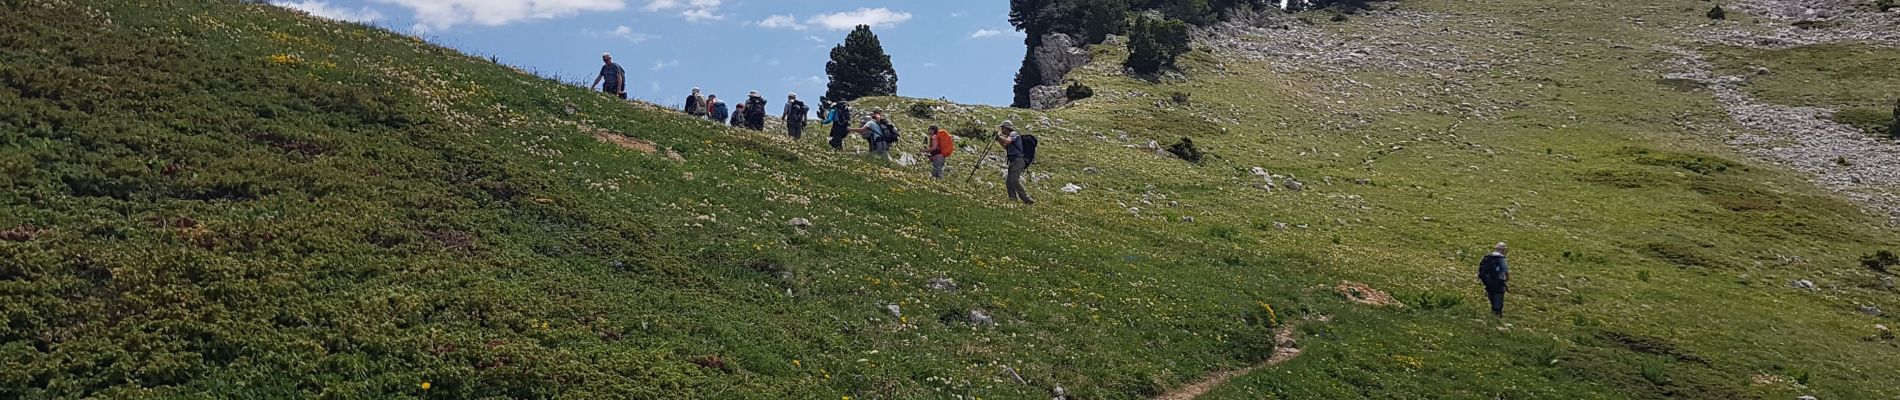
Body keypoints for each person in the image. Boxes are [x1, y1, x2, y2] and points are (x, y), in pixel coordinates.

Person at [996, 121, 1034, 205]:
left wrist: (999, 137)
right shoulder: (1010, 136)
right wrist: (999, 139)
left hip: (1018, 160)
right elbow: (1006, 147)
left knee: (1014, 181)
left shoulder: (1013, 134)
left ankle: (1027, 199)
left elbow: (1007, 142)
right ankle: (1012, 199)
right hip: (1014, 161)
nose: (1001, 129)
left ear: (1007, 128)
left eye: (1002, 127)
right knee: (1009, 181)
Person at [1477, 242, 1511, 317]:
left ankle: (1493, 309)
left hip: (1487, 280)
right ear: (1503, 250)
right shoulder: (1501, 258)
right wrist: (1506, 280)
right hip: (1499, 280)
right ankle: (1497, 312)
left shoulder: (1488, 257)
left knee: (1491, 293)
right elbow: (1505, 271)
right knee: (1498, 295)